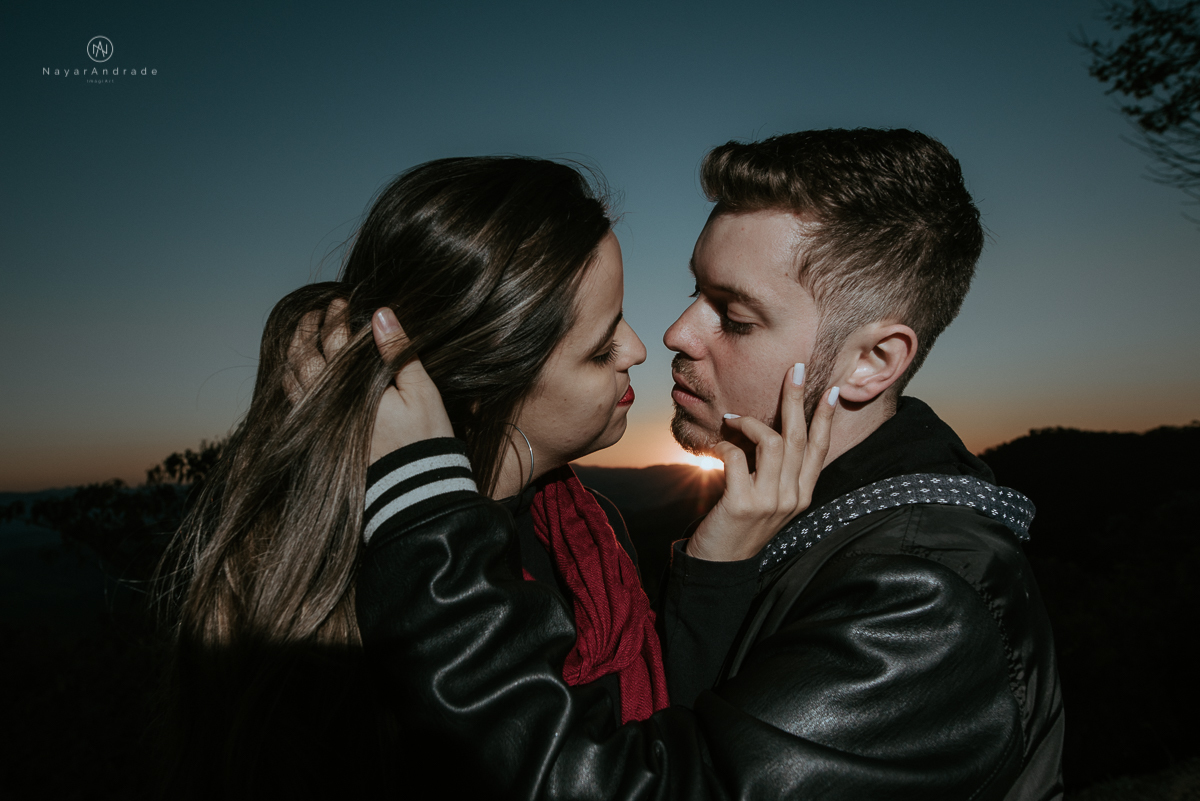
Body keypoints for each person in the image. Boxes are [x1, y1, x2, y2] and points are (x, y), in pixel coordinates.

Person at [354, 129, 1064, 799]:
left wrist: (425, 519)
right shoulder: (784, 515)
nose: (676, 331)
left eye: (735, 314)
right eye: (697, 290)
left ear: (872, 362)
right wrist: (712, 569)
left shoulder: (924, 601)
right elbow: (679, 733)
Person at [158, 155, 830, 799]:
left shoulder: (587, 528)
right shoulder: (357, 602)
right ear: (487, 383)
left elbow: (656, 753)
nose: (638, 348)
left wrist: (715, 568)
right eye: (600, 349)